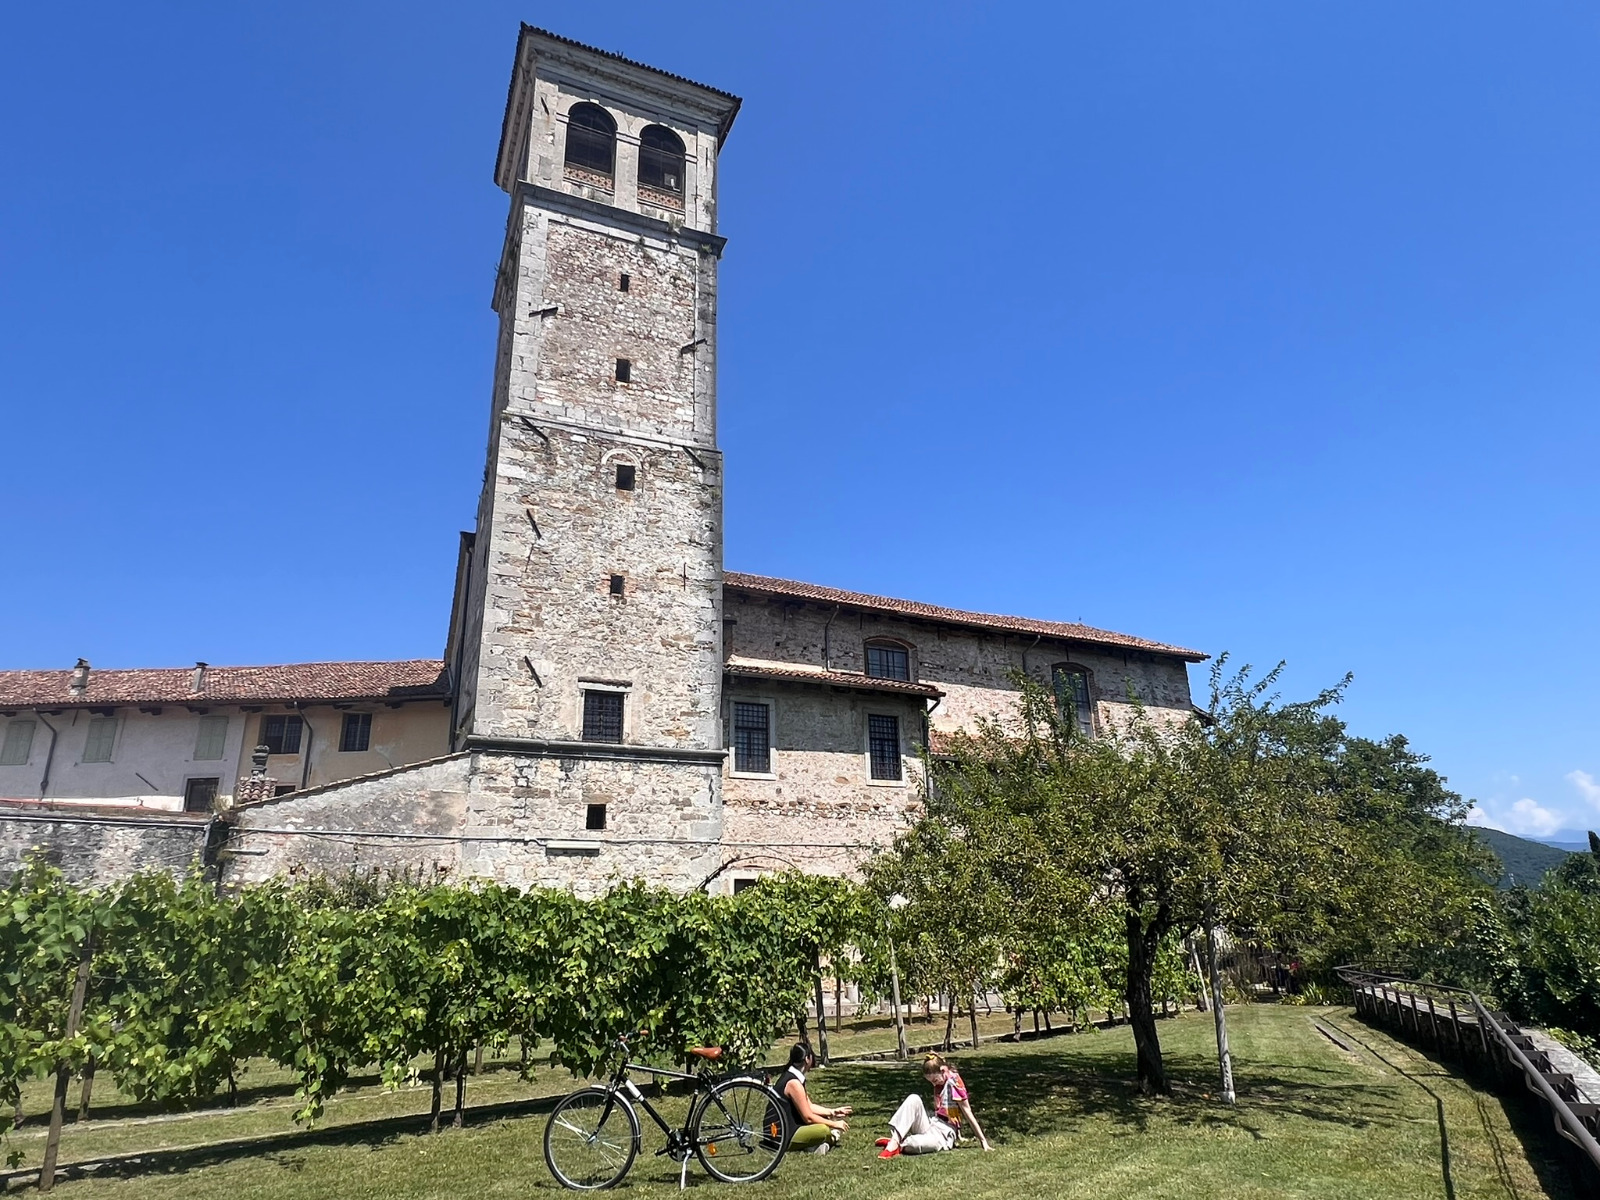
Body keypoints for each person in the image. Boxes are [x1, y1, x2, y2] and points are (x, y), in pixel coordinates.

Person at [877, 1052, 992, 1157]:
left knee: (914, 1145)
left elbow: (967, 1112)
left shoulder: (954, 1083)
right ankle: (895, 1141)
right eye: (930, 1082)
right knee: (913, 1098)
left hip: (944, 1133)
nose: (933, 1084)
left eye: (935, 1080)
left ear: (943, 1070)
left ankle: (899, 1143)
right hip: (932, 1124)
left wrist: (983, 1141)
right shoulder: (940, 1081)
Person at [777, 1043, 852, 1154]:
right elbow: (808, 1118)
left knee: (825, 1118)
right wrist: (834, 1124)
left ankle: (816, 1145)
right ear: (807, 1059)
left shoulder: (792, 1076)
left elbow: (809, 1106)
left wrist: (832, 1112)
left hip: (787, 1129)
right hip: (782, 1135)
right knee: (823, 1129)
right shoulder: (794, 1083)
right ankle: (831, 1138)